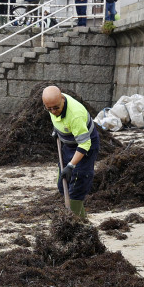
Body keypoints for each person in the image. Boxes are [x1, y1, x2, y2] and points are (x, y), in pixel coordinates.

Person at [42, 86, 99, 217]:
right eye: (48, 108)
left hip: (85, 146)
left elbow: (85, 143)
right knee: (63, 185)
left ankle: (75, 223)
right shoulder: (52, 104)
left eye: (56, 108)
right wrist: (57, 131)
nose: (53, 111)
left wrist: (71, 165)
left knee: (78, 184)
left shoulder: (75, 115)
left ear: (62, 98)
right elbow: (59, 120)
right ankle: (82, 221)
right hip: (68, 144)